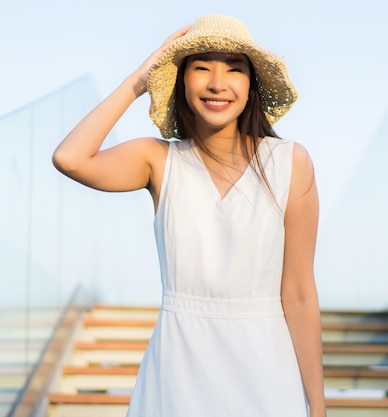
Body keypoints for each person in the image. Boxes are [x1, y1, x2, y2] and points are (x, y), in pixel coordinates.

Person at [52, 14, 325, 417]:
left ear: (252, 85)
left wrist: (317, 408)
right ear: (182, 80)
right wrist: (138, 80)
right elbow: (70, 158)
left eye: (234, 69)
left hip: (267, 366)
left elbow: (300, 293)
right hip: (178, 367)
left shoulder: (290, 162)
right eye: (202, 68)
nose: (218, 83)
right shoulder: (158, 160)